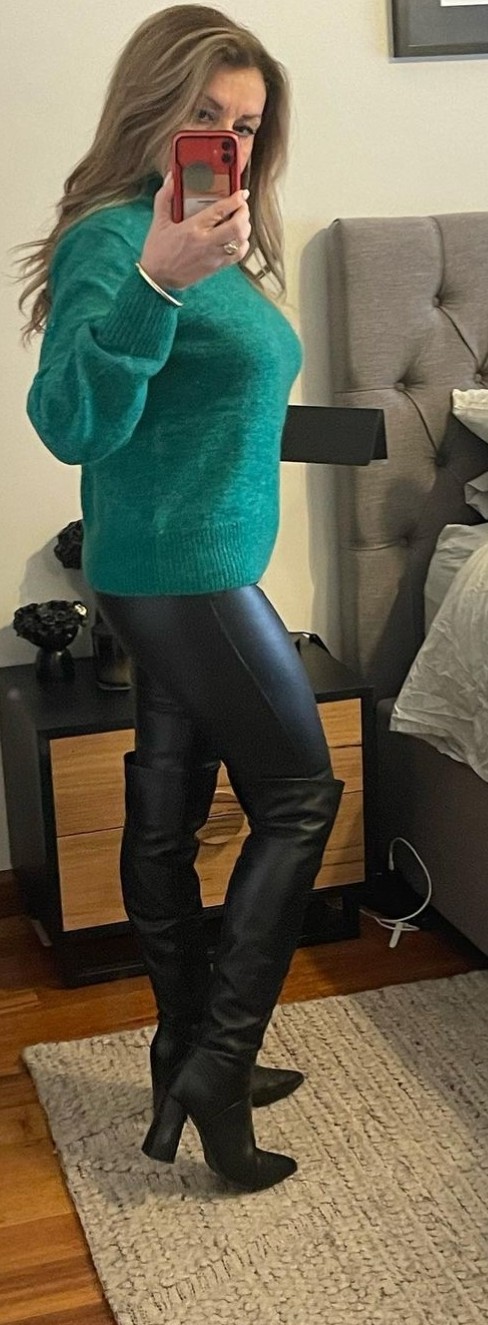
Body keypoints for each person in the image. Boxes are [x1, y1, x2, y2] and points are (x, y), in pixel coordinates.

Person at [19, 5, 343, 1193]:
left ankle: (179, 1053)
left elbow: (204, 403)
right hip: (180, 572)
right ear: (152, 106)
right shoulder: (121, 241)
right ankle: (218, 1061)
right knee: (300, 795)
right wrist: (153, 283)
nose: (228, 141)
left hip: (182, 561)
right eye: (206, 114)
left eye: (245, 124)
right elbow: (70, 421)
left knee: (167, 812)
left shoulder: (212, 237)